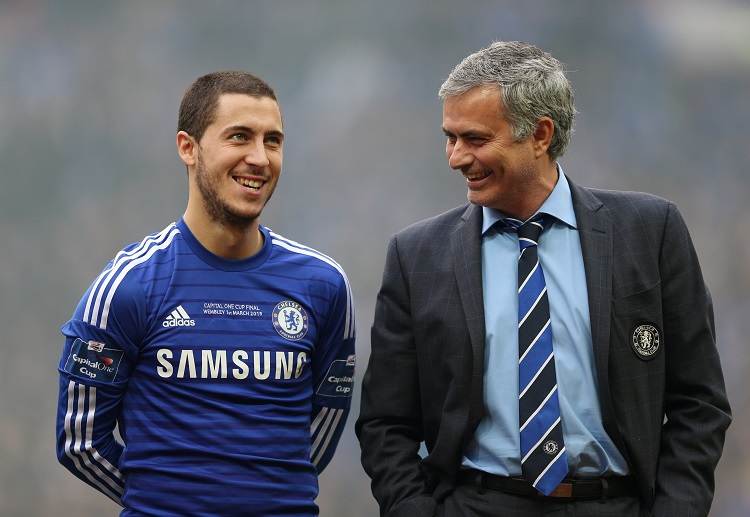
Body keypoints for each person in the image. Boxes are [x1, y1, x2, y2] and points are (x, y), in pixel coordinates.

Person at [356, 41, 731, 517]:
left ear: (540, 134)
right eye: (450, 137)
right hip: (477, 504)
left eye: (475, 139)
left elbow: (699, 401)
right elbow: (385, 422)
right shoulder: (416, 256)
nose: (455, 157)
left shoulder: (649, 232)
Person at [56, 71, 356, 516]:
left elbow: (325, 424)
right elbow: (80, 442)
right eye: (240, 137)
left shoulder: (324, 285)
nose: (260, 158)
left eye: (273, 141)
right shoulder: (128, 287)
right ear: (188, 148)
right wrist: (166, 502)